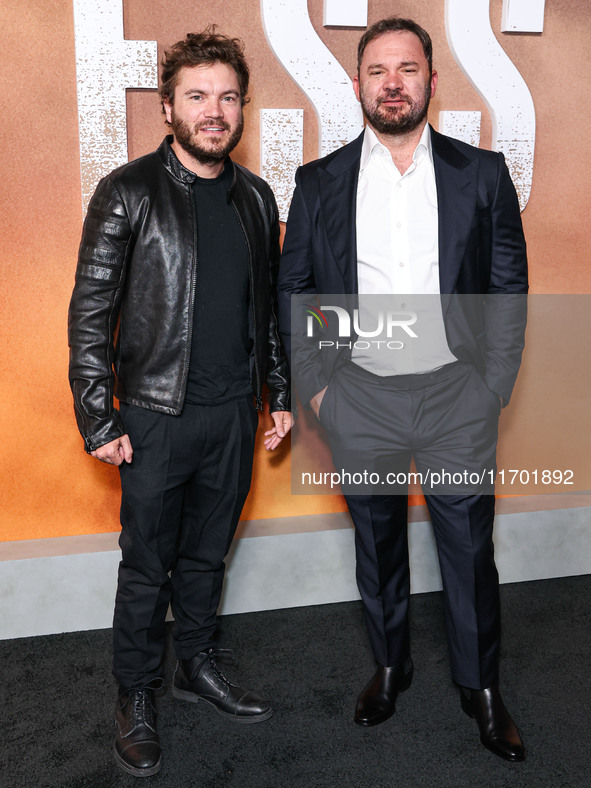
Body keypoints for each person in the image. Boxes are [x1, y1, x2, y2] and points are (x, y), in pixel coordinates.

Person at [278, 17, 527, 762]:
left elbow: (506, 288)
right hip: (360, 398)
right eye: (378, 70)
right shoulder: (319, 182)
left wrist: (491, 385)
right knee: (376, 542)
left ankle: (479, 686)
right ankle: (390, 665)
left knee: (467, 548)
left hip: (457, 396)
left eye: (408, 68)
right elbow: (298, 290)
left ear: (430, 80)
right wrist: (321, 392)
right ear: (355, 86)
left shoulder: (479, 174)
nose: (393, 82)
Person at [68, 28, 292, 778]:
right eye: (197, 96)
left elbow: (268, 314)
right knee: (147, 564)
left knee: (206, 556)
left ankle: (196, 666)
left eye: (227, 97)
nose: (214, 110)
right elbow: (90, 312)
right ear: (168, 107)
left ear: (241, 109)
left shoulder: (256, 198)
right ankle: (135, 693)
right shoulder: (127, 191)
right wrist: (98, 417)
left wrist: (279, 397)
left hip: (233, 415)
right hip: (155, 416)